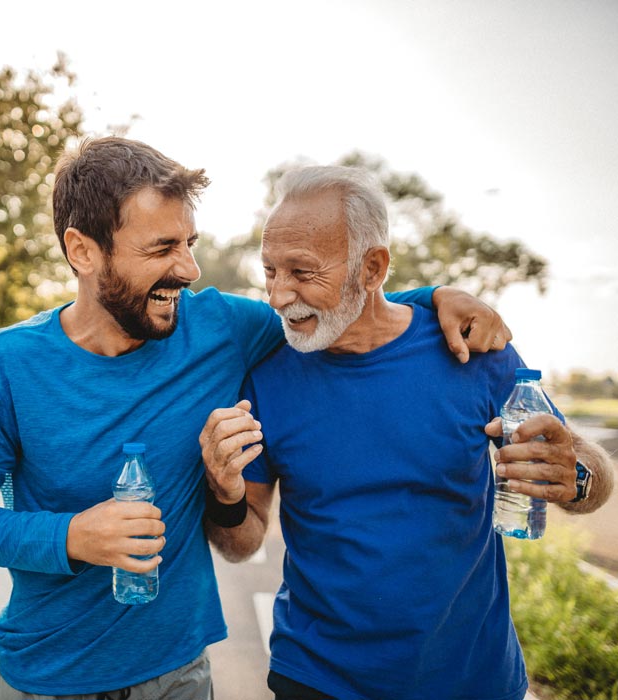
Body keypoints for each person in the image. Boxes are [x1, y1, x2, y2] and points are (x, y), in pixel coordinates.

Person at [0, 136, 510, 700]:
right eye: (161, 249)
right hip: (44, 673)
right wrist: (72, 536)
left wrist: (437, 297)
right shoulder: (1, 366)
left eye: (189, 242)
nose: (189, 268)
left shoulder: (221, 330)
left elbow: (337, 305)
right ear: (82, 251)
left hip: (177, 674)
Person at [200, 165, 615, 700]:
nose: (279, 295)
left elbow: (591, 474)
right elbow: (243, 541)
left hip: (474, 680)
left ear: (372, 268)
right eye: (270, 271)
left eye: (302, 273)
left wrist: (576, 479)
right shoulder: (266, 375)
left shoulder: (471, 350)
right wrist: (225, 494)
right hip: (317, 679)